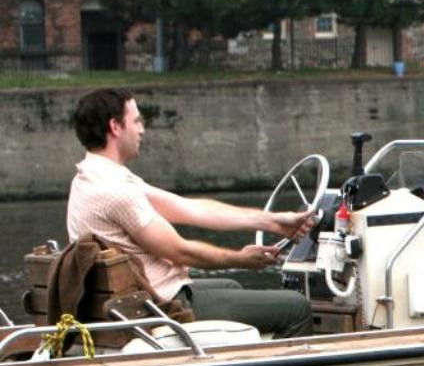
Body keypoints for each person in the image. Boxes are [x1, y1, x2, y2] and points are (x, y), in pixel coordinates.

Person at [66, 88, 315, 338]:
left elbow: (189, 208)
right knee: (296, 307)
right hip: (160, 306)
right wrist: (240, 259)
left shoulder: (93, 177)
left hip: (139, 298)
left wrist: (273, 222)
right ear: (115, 127)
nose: (142, 129)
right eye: (136, 121)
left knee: (231, 285)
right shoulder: (115, 191)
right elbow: (179, 251)